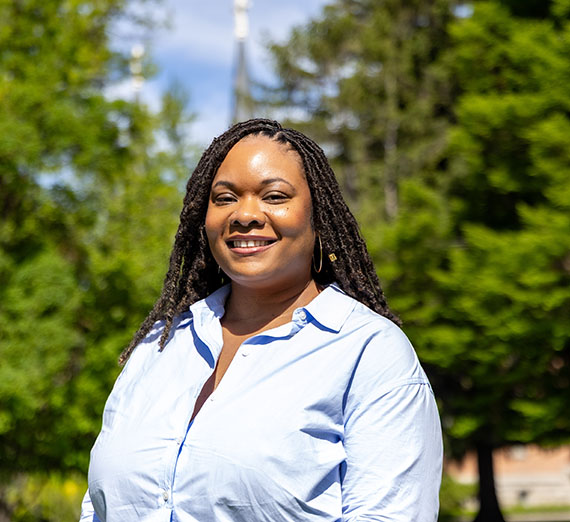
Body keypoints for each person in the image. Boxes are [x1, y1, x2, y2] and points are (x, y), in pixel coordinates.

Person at [80, 118, 442, 522]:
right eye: (224, 198)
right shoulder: (159, 345)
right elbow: (99, 506)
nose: (245, 214)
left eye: (274, 196)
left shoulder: (369, 352)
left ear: (318, 216)